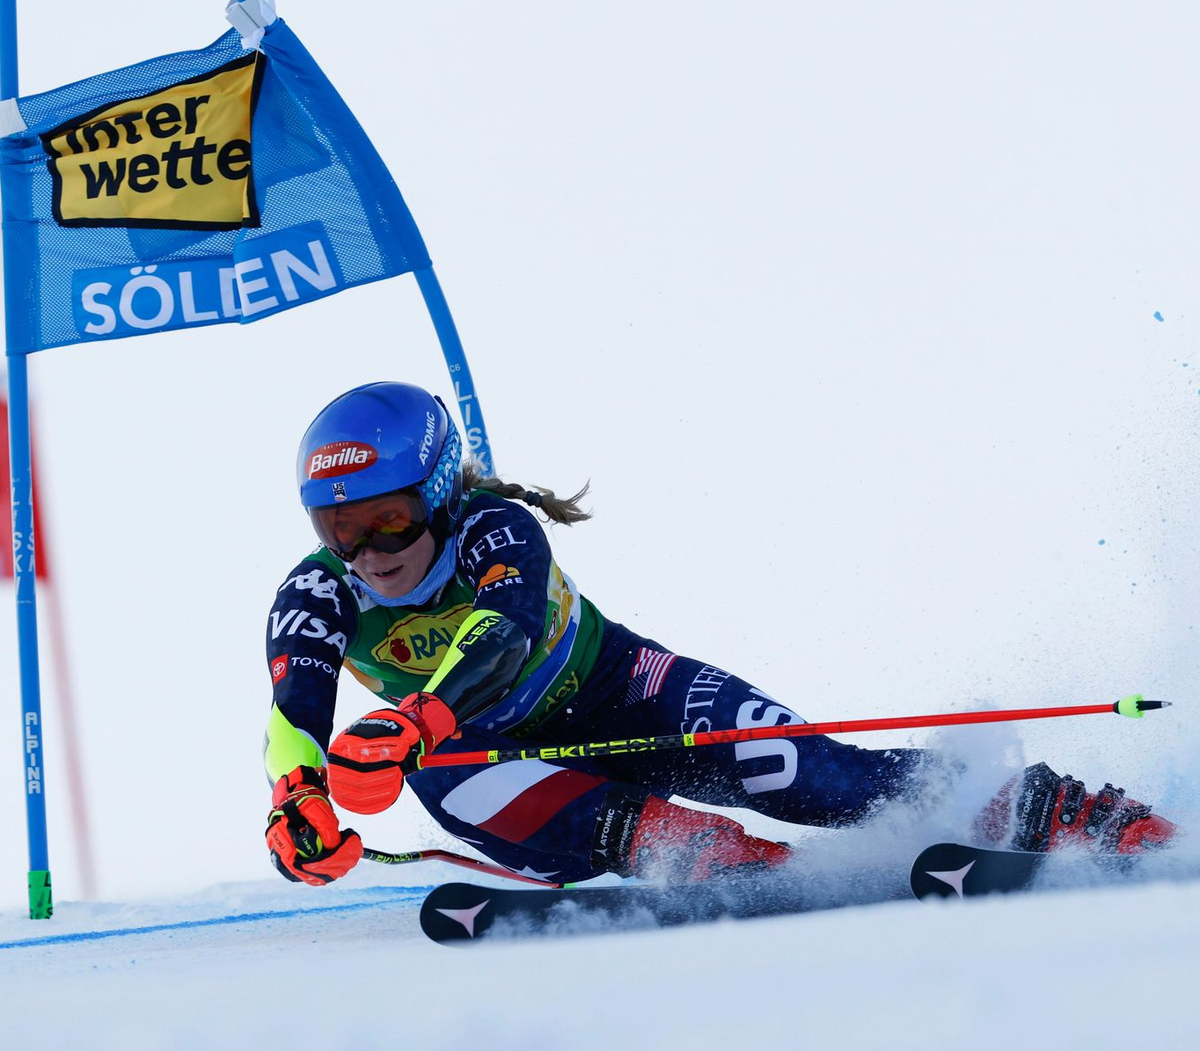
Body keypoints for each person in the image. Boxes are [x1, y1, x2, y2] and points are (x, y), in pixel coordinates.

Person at [264, 382, 1176, 887]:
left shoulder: (496, 528)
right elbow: (293, 710)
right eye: (337, 527)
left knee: (808, 773)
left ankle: (1054, 810)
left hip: (628, 688)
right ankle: (702, 855)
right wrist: (295, 800)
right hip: (513, 766)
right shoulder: (317, 591)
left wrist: (415, 715)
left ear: (436, 493)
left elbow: (499, 632)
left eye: (386, 518)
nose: (367, 549)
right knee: (440, 771)